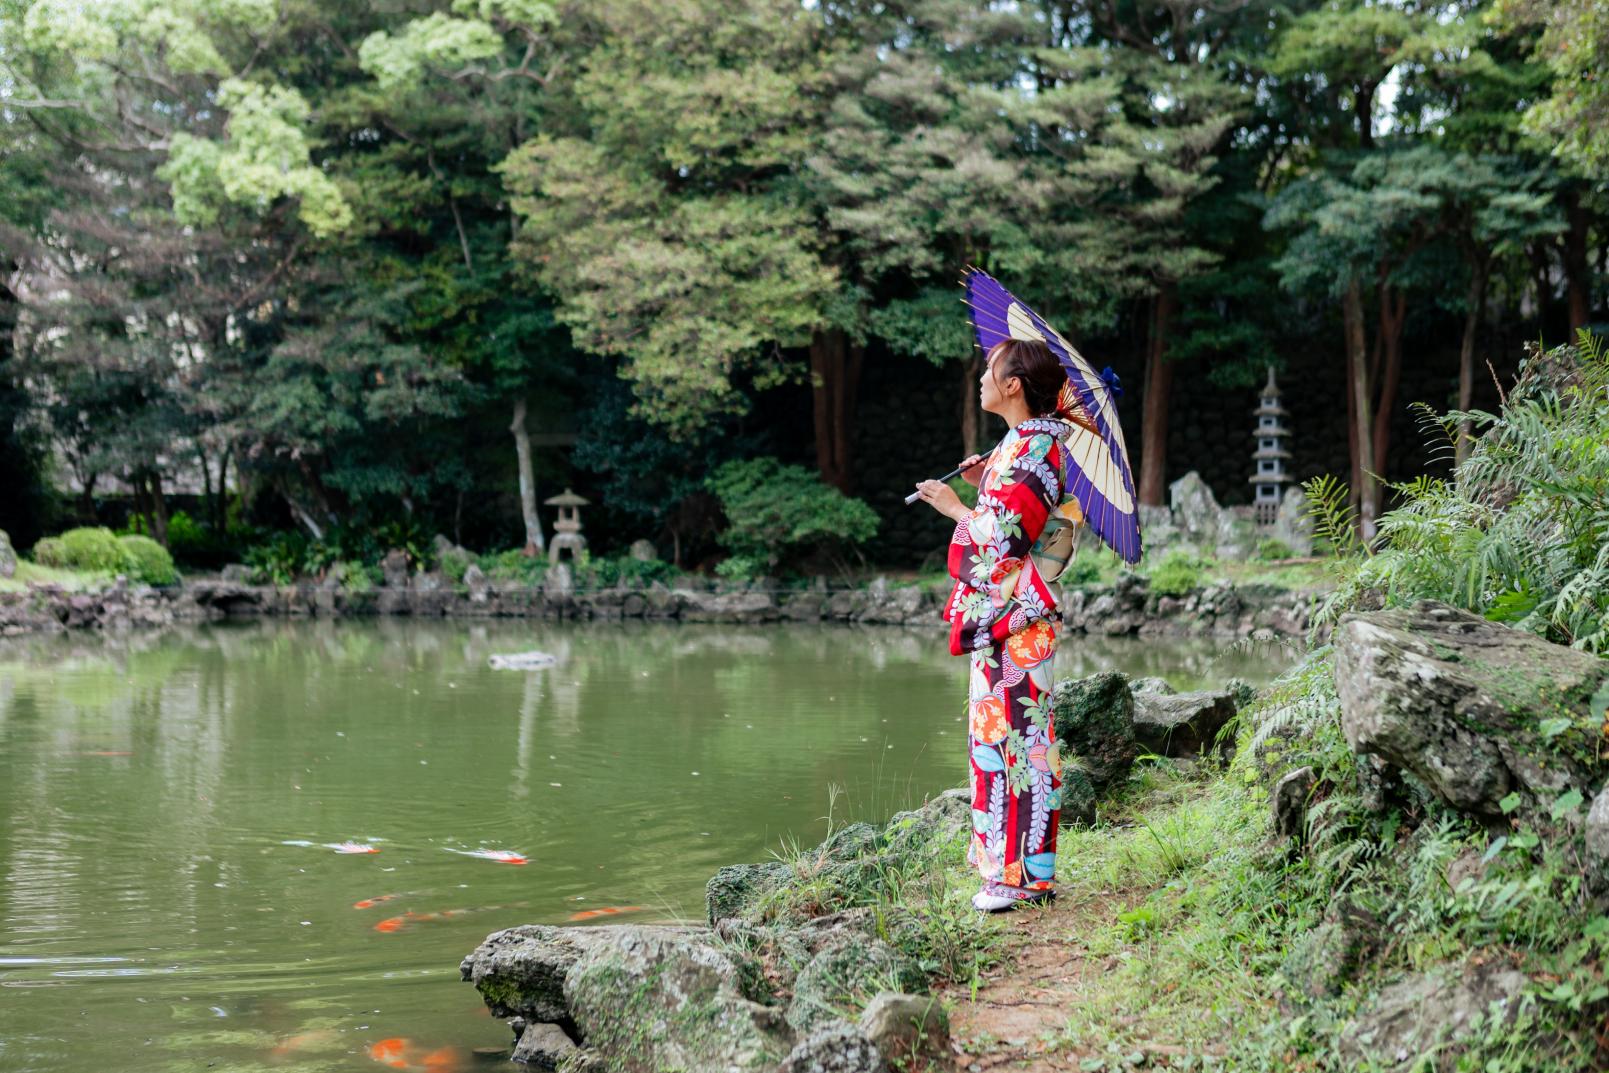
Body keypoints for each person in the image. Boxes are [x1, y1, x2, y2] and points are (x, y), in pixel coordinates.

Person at [913, 337, 1085, 913]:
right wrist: (985, 480)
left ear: (1014, 386)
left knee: (1020, 741)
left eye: (991, 370)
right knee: (1001, 737)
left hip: (1017, 616)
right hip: (1009, 615)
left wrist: (956, 509)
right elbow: (1014, 516)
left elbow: (1005, 541)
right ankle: (1009, 870)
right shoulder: (1024, 446)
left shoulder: (1034, 452)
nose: (982, 378)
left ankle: (1022, 877)